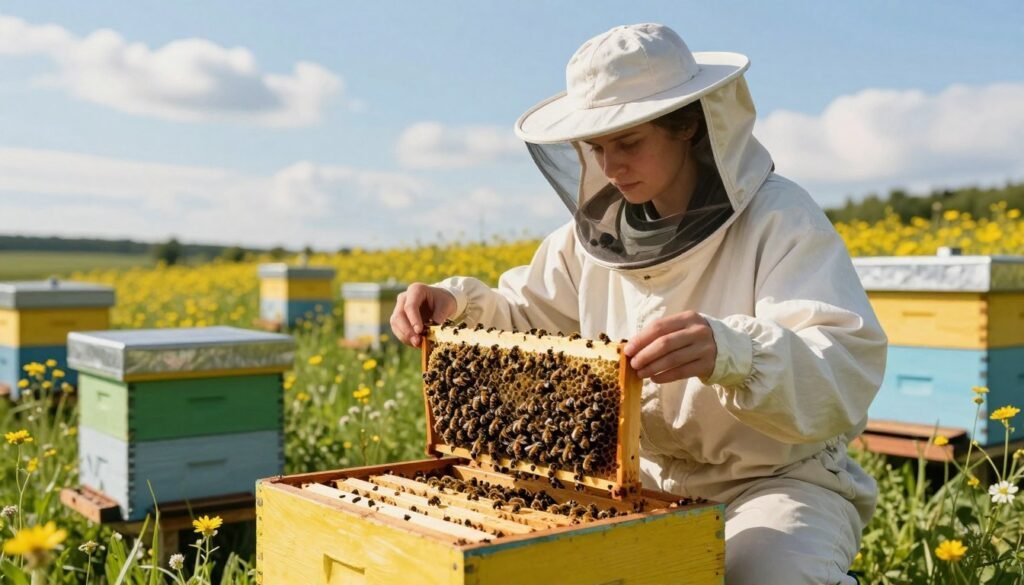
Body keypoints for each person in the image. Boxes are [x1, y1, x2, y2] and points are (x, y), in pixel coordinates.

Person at [390, 23, 886, 584]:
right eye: (597, 147)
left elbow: (840, 362)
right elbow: (527, 324)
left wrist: (735, 352)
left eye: (629, 142)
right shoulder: (590, 238)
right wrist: (456, 306)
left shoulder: (781, 221)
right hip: (634, 479)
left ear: (688, 128)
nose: (610, 166)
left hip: (772, 483)